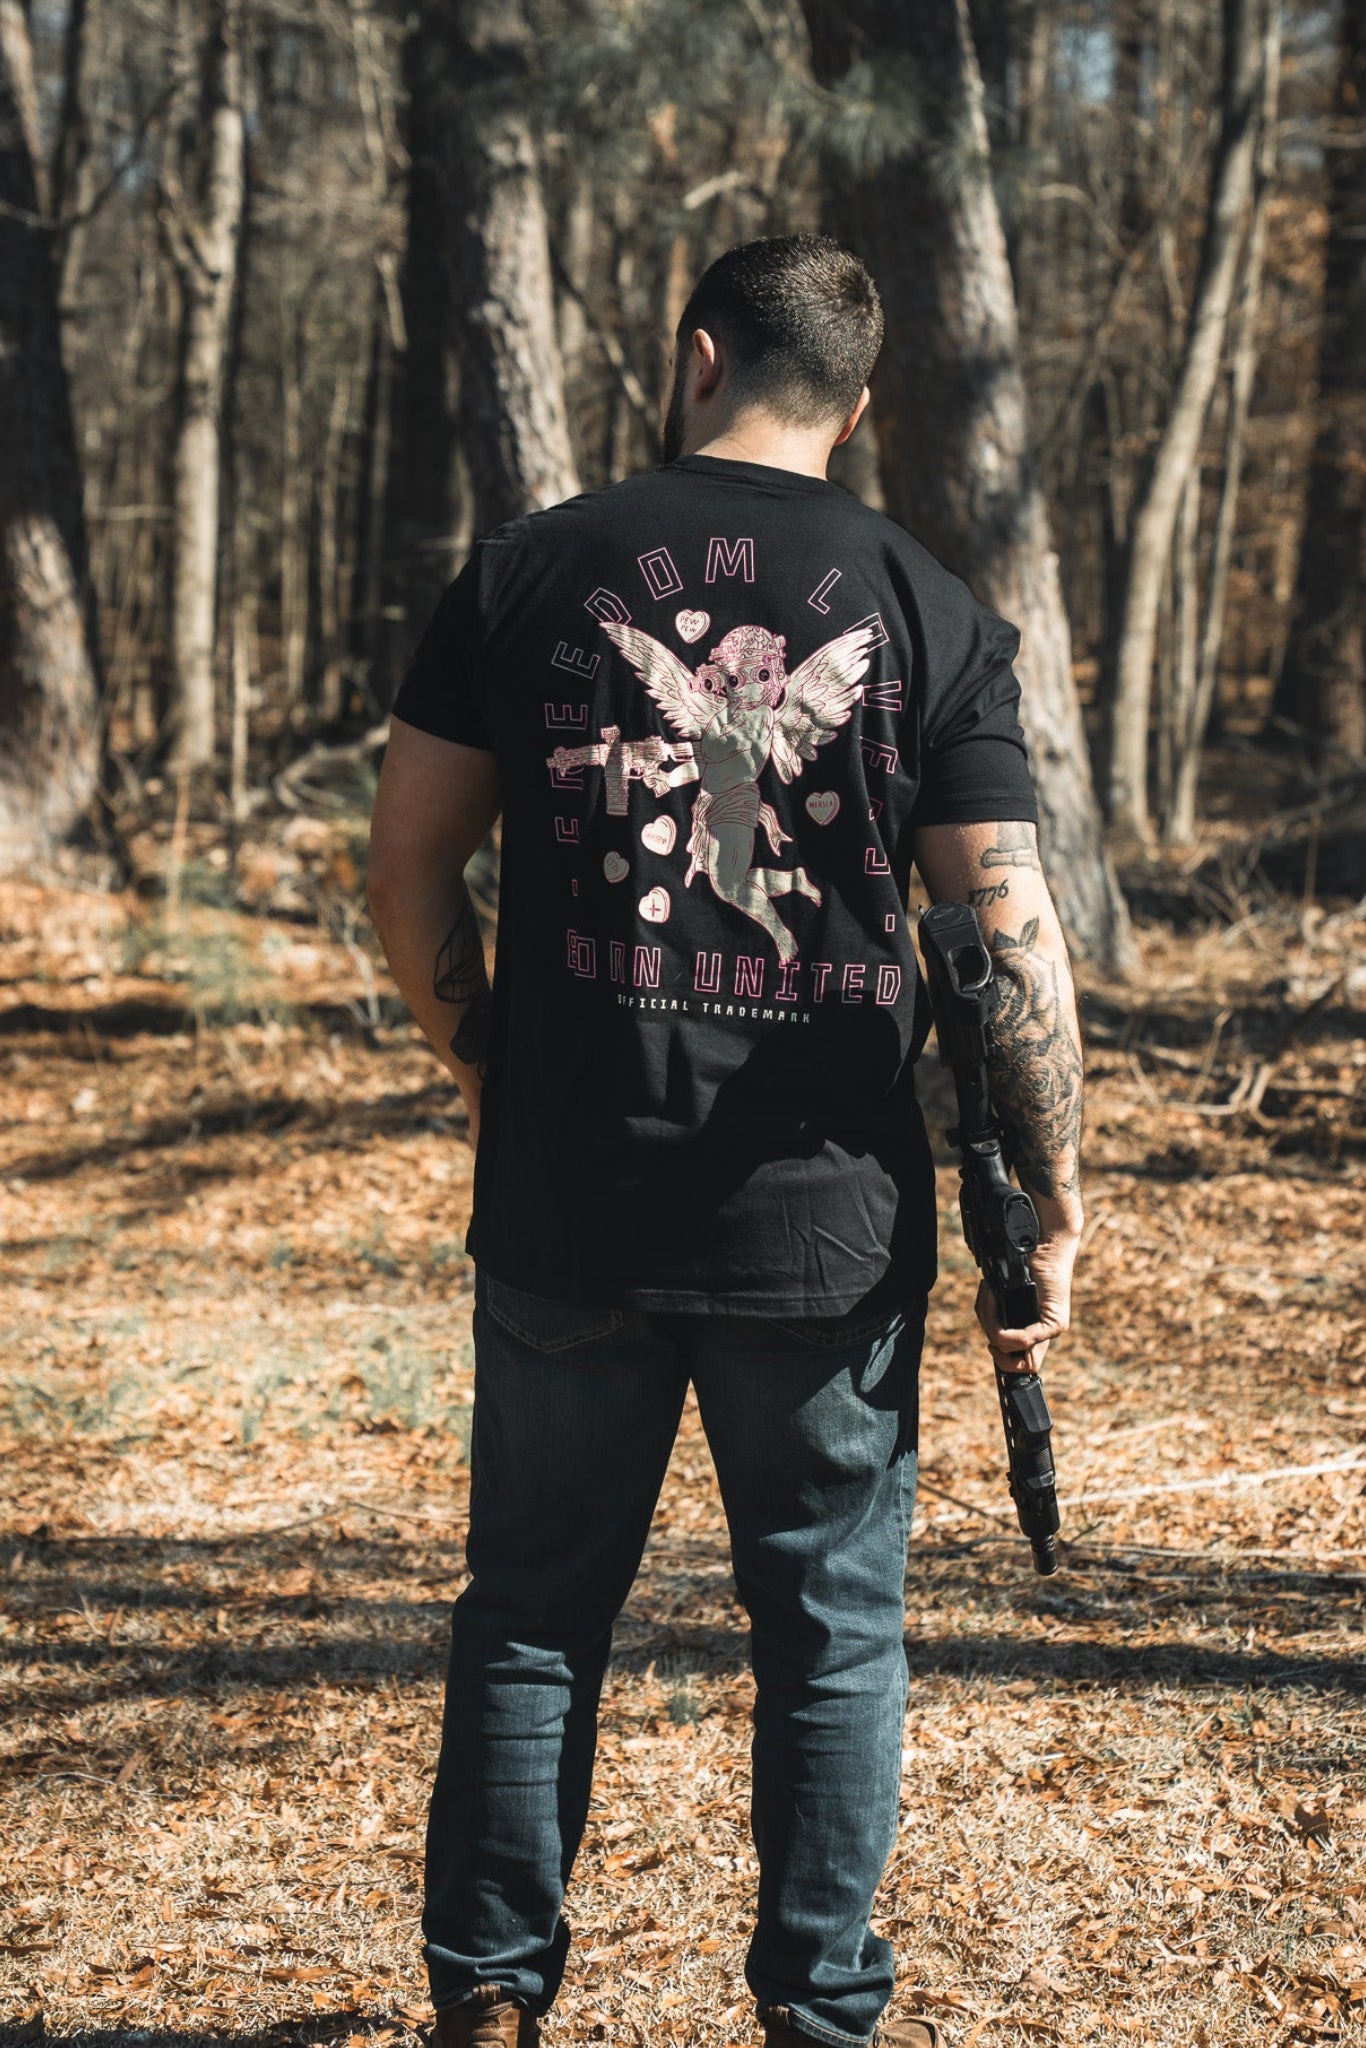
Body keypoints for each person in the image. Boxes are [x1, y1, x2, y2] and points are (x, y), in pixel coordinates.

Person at [367, 234, 1085, 2048]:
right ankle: (818, 2017)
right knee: (830, 1633)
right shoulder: (928, 603)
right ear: (859, 407)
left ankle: (487, 2004)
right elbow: (1008, 945)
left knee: (532, 1612)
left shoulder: (527, 567)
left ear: (691, 357)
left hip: (564, 1203)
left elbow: (402, 869)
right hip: (824, 1232)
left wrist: (489, 1071)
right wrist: (1055, 1197)